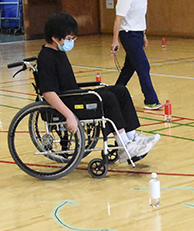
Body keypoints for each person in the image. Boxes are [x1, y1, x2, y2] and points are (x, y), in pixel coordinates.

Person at [39, 12, 159, 162]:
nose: (71, 42)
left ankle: (132, 137)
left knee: (120, 90)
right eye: (69, 39)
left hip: (75, 95)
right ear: (55, 38)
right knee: (107, 99)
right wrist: (69, 115)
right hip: (67, 102)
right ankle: (124, 145)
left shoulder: (58, 52)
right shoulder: (46, 58)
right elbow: (48, 93)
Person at [112, 0, 161, 109]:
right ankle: (150, 100)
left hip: (138, 33)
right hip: (128, 34)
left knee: (129, 67)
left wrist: (144, 35)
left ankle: (114, 93)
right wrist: (115, 40)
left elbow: (140, 17)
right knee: (143, 65)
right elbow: (118, 20)